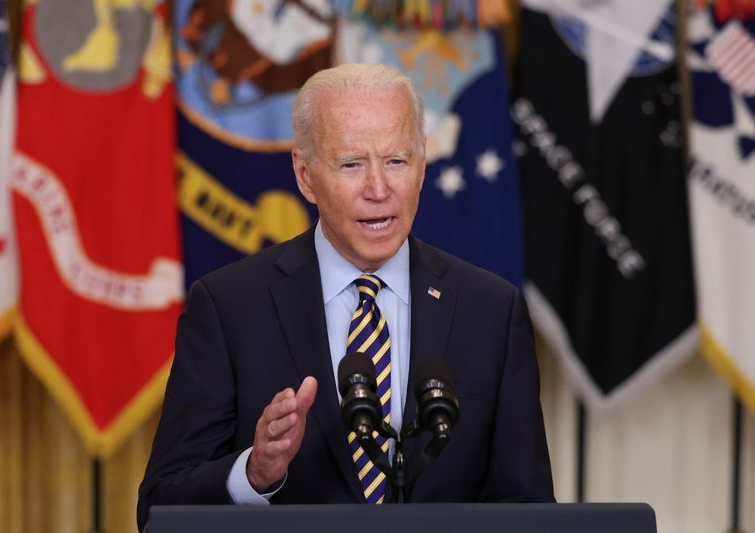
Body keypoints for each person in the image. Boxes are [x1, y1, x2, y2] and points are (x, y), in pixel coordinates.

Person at [137, 63, 554, 530]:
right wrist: (252, 475)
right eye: (351, 164)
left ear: (420, 165)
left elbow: (528, 508)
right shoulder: (229, 307)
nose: (378, 190)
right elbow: (158, 507)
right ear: (305, 175)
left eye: (396, 161)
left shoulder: (492, 312)